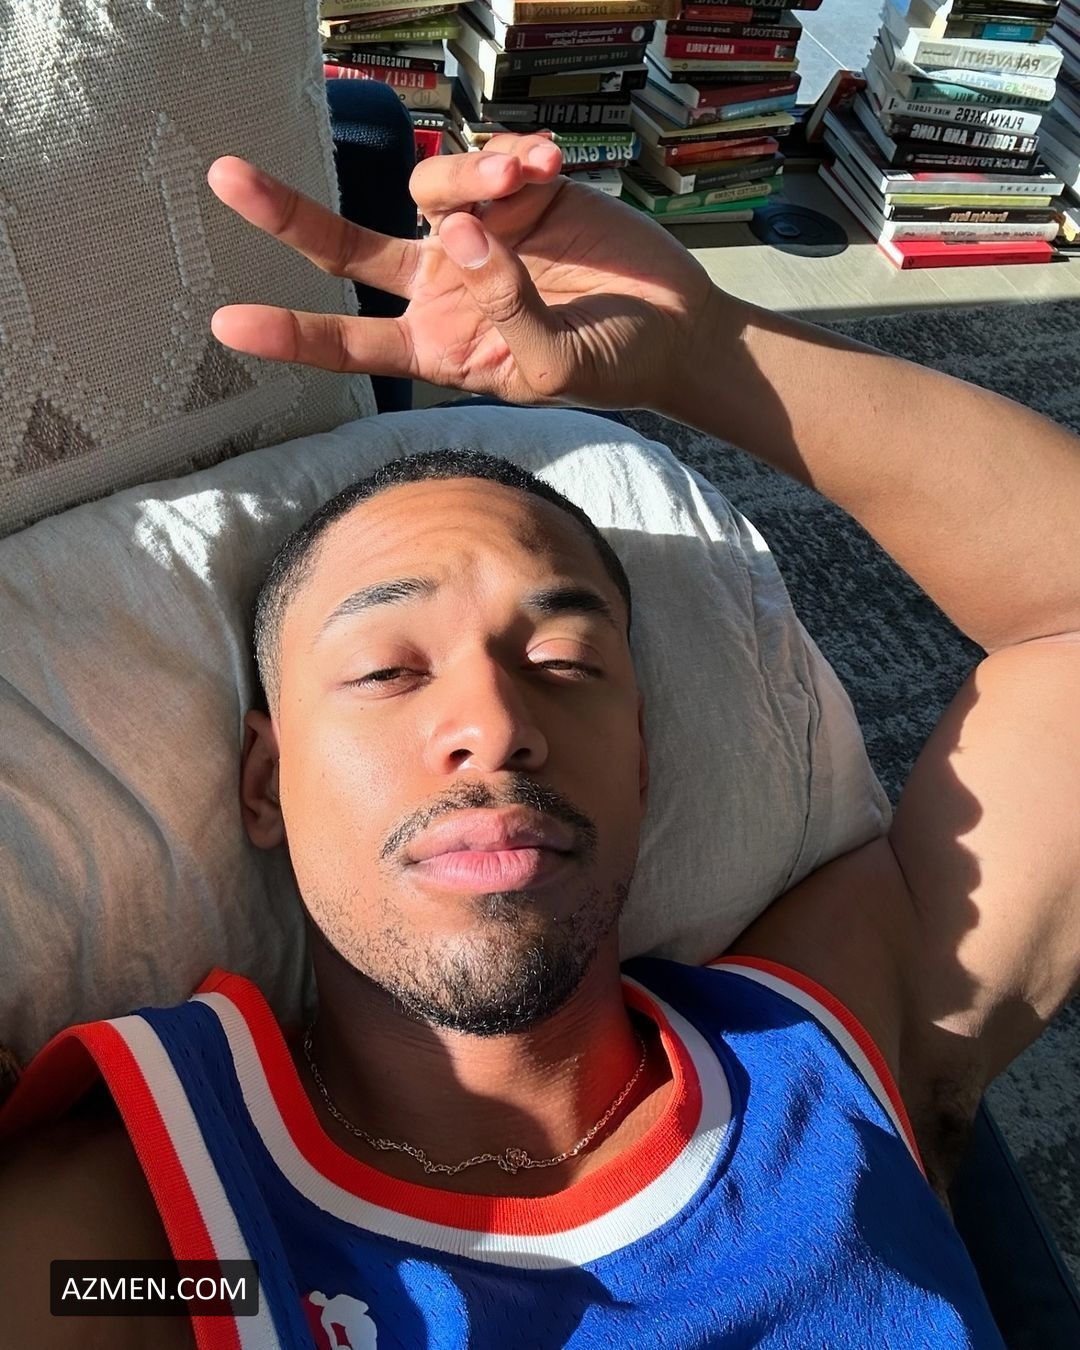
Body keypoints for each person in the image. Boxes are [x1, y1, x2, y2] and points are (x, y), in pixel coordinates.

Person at [0, 134, 1077, 1349]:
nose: (498, 729)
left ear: (641, 760)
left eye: (564, 666)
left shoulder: (824, 1057)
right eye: (389, 671)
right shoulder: (170, 1241)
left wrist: (703, 347)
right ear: (266, 783)